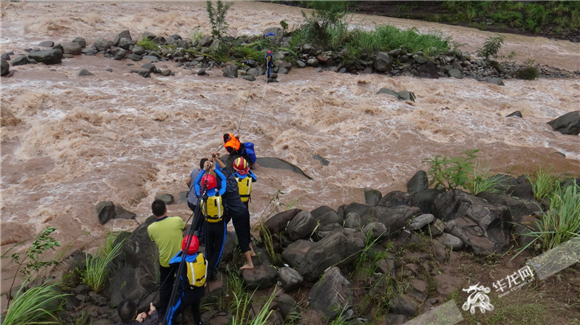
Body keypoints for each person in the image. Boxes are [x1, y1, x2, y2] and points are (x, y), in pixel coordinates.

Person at [212, 152, 256, 270]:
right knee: (246, 230)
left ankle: (250, 263)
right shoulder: (233, 180)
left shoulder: (224, 190)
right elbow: (224, 169)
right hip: (243, 210)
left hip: (237, 214)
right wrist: (216, 159)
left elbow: (221, 175)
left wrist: (212, 168)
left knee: (241, 237)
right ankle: (251, 251)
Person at [147, 199, 187, 317]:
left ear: (153, 213)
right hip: (180, 259)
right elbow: (185, 227)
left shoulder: (151, 228)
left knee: (165, 287)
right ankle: (181, 310)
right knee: (182, 283)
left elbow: (153, 239)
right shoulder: (177, 220)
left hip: (165, 262)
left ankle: (163, 312)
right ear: (166, 209)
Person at [193, 160, 227, 280]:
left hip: (207, 224)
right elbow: (223, 180)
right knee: (218, 249)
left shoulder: (201, 195)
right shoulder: (220, 194)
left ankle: (206, 266)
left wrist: (203, 169)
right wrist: (215, 168)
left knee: (209, 248)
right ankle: (211, 270)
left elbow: (195, 183)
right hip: (218, 225)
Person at [166, 235, 207, 325]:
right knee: (195, 309)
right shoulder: (201, 256)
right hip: (199, 291)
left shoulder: (180, 261)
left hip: (186, 295)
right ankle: (198, 322)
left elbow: (170, 262)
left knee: (170, 315)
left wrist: (181, 251)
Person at [186, 158, 209, 242]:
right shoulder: (206, 177)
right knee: (203, 219)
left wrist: (191, 190)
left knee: (197, 215)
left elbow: (187, 182)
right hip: (198, 203)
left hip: (190, 200)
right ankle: (201, 239)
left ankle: (194, 227)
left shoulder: (195, 171)